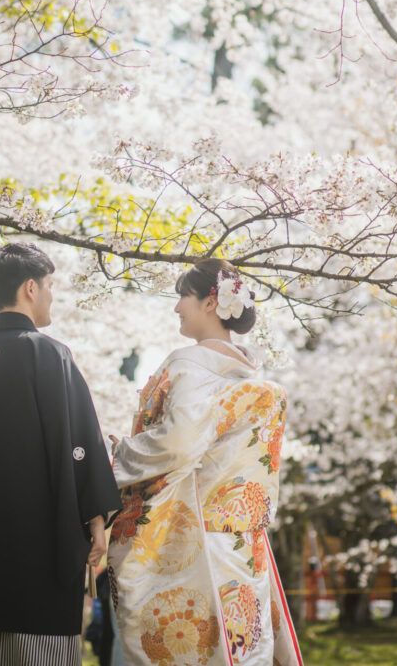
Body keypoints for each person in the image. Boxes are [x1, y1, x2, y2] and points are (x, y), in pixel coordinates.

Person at [107, 259, 303, 666]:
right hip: (241, 536)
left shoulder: (189, 364)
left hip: (196, 537)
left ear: (211, 303)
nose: (177, 306)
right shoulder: (252, 378)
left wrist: (123, 454)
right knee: (241, 645)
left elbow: (177, 444)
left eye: (183, 296)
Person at [0, 242, 121, 666]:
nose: (53, 295)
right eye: (50, 285)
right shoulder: (49, 355)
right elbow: (81, 443)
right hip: (41, 551)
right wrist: (95, 519)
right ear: (31, 288)